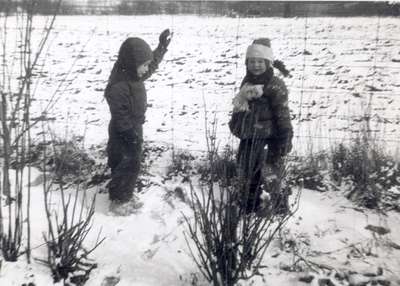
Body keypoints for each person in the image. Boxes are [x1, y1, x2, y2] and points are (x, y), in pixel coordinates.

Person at [104, 30, 172, 215]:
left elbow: (152, 65)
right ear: (131, 63)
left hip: (133, 126)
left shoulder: (134, 73)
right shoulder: (118, 84)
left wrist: (162, 47)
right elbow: (119, 114)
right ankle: (118, 200)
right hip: (122, 130)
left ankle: (125, 193)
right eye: (143, 65)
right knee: (123, 162)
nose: (146, 69)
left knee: (133, 162)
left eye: (146, 65)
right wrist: (129, 133)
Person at [228, 38, 293, 216]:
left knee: (271, 173)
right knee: (247, 172)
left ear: (268, 62)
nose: (256, 65)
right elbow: (241, 108)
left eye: (260, 62)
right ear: (247, 63)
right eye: (252, 61)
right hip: (249, 138)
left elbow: (282, 113)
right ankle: (250, 205)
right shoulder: (247, 83)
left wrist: (285, 137)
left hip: (268, 139)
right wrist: (236, 124)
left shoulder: (275, 84)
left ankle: (280, 207)